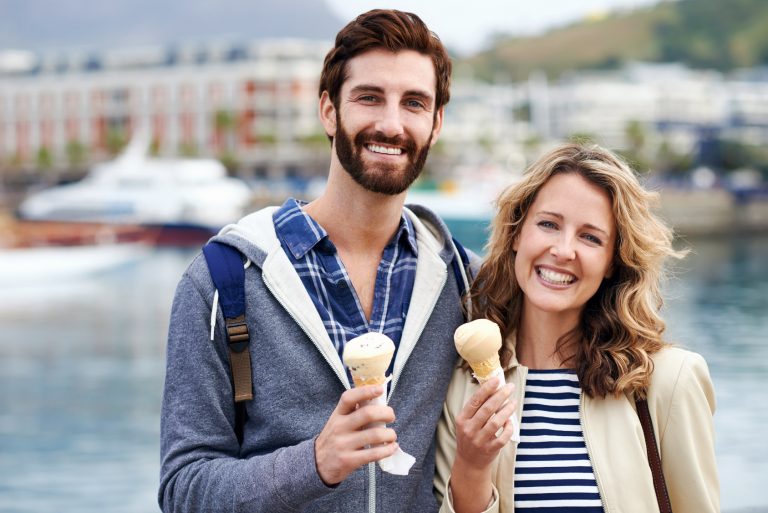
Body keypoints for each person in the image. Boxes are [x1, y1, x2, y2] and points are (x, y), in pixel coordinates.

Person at [159, 9, 478, 513]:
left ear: (435, 123)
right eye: (369, 97)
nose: (391, 124)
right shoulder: (222, 280)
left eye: (413, 103)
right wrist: (315, 463)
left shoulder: (466, 282)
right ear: (329, 110)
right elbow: (183, 488)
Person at [434, 143, 719, 512]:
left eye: (590, 237)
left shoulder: (669, 380)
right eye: (549, 224)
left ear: (612, 262)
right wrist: (472, 465)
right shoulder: (462, 385)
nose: (563, 250)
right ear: (517, 233)